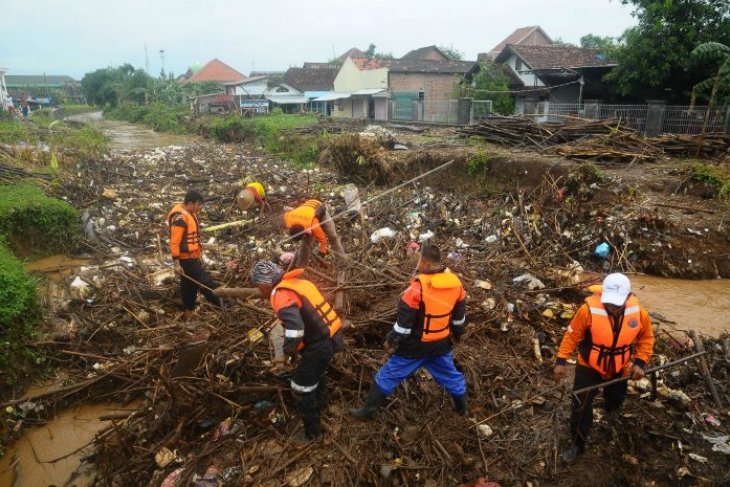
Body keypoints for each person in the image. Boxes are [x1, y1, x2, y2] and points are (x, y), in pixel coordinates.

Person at [350, 243, 468, 419]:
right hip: (440, 345)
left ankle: (367, 412)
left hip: (414, 347)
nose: (417, 262)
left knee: (387, 376)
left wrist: (390, 340)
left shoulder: (417, 288)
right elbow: (459, 318)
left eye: (419, 259)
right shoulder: (456, 284)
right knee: (452, 378)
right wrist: (458, 334)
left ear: (426, 264)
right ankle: (462, 410)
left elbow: (403, 325)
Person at [554, 273, 654, 464]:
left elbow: (647, 338)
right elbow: (572, 336)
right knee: (580, 406)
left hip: (620, 366)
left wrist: (640, 362)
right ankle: (578, 444)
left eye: (617, 304)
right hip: (589, 366)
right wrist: (561, 361)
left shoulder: (638, 311)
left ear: (627, 297)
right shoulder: (587, 310)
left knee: (615, 399)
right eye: (609, 302)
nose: (612, 307)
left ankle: (611, 414)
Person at [251, 261, 344, 443]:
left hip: (319, 345)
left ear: (265, 284)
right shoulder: (299, 283)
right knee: (315, 372)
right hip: (333, 336)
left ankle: (313, 434)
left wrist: (287, 352)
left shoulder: (280, 294)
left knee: (300, 388)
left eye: (258, 285)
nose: (259, 290)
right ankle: (323, 404)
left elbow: (295, 330)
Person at [167, 189, 222, 317]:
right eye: (199, 204)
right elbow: (174, 243)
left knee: (188, 286)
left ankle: (188, 313)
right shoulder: (180, 218)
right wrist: (176, 264)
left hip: (192, 257)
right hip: (186, 259)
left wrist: (199, 256)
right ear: (190, 203)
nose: (201, 207)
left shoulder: (190, 213)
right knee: (205, 283)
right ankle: (226, 305)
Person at [283, 199, 346, 267]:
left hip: (319, 209)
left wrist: (322, 254)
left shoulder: (314, 225)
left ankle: (342, 262)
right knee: (305, 243)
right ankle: (301, 266)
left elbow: (323, 240)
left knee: (333, 237)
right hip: (306, 210)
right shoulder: (288, 218)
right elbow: (286, 213)